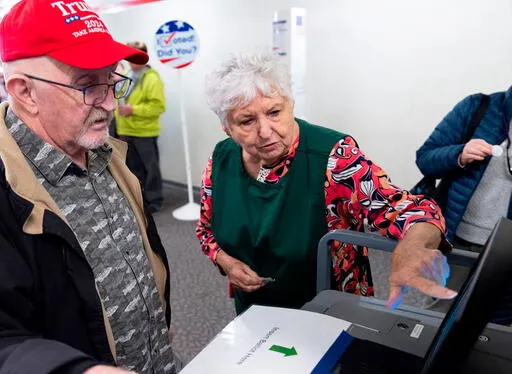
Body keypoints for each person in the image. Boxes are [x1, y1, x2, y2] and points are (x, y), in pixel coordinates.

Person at [0, 1, 177, 373]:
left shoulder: (111, 153)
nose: (111, 103)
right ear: (25, 91)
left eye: (112, 81)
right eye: (88, 86)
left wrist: (155, 323)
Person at [196, 52, 457, 315]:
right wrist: (225, 262)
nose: (265, 131)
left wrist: (410, 250)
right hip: (255, 309)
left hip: (329, 310)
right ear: (226, 127)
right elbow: (206, 231)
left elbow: (415, 211)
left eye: (274, 112)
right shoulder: (222, 159)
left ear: (291, 105)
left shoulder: (335, 157)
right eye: (247, 121)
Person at [416, 85, 511, 325]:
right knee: (435, 321)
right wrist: (459, 154)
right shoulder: (479, 107)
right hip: (457, 243)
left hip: (506, 253)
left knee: (492, 330)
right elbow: (425, 158)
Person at [115, 41, 166, 213]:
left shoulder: (152, 78)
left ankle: (155, 201)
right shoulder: (127, 74)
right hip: (126, 131)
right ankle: (141, 200)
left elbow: (158, 107)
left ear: (144, 56)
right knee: (134, 169)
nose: (131, 60)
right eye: (130, 57)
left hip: (144, 132)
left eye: (136, 56)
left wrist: (133, 110)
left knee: (150, 168)